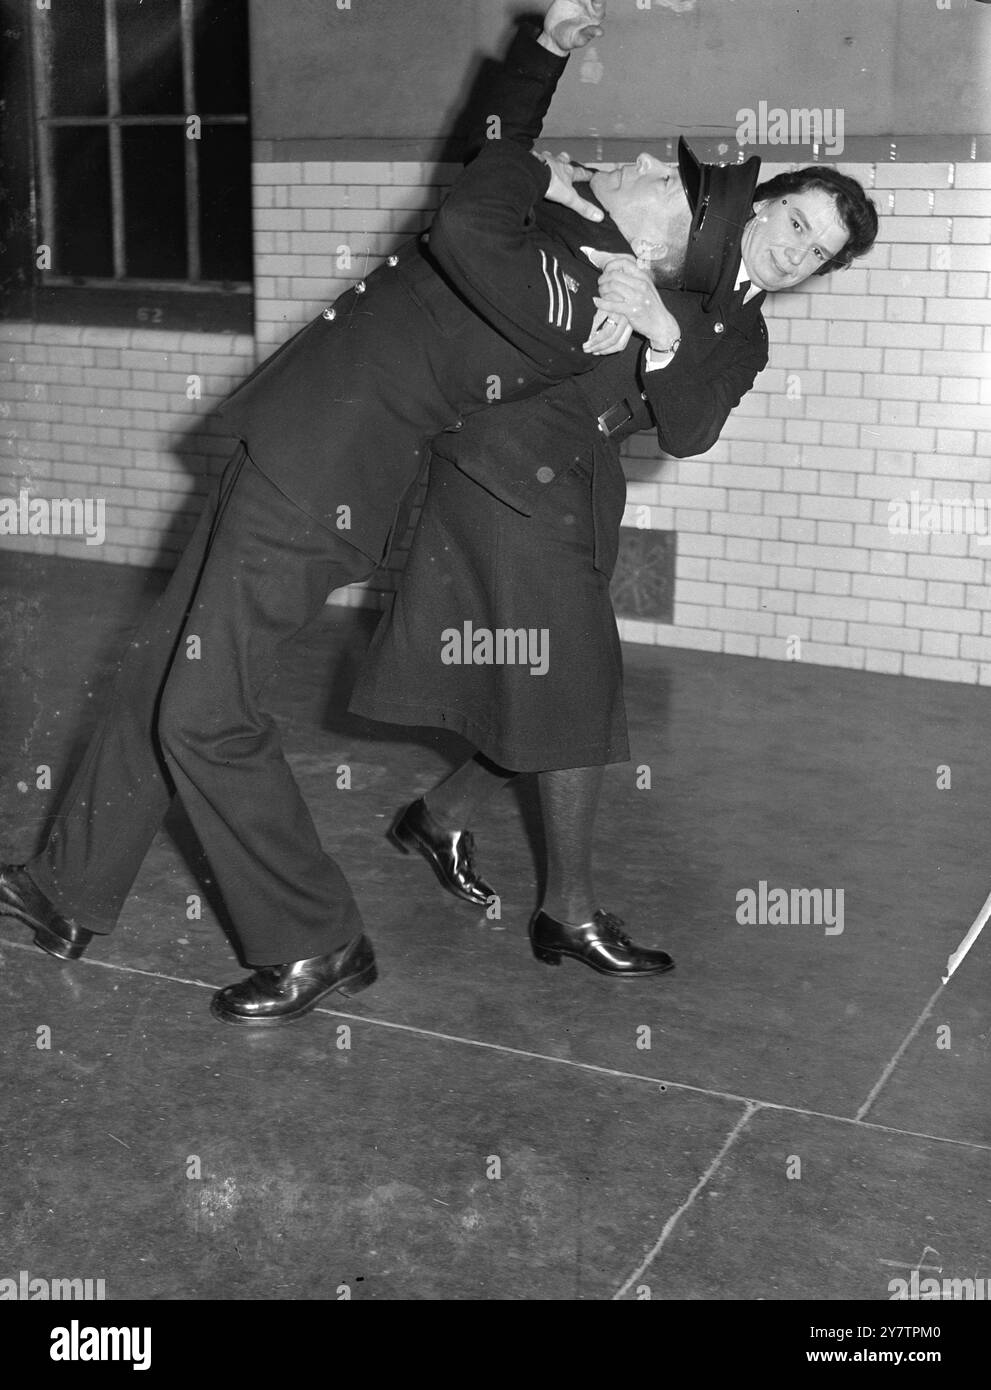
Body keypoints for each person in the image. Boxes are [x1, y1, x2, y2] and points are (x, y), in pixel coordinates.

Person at [0, 1, 694, 1025]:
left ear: (647, 240)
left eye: (662, 183)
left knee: (205, 714)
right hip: (290, 453)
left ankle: (315, 939)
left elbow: (472, 206)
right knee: (159, 671)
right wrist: (541, 56)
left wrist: (547, 158)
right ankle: (66, 889)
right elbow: (497, 153)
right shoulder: (550, 252)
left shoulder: (566, 294)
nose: (642, 164)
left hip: (312, 485)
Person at [348, 148, 879, 977]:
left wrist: (663, 336)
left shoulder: (747, 335)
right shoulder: (671, 247)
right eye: (795, 221)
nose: (794, 250)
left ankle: (438, 818)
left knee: (546, 682)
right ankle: (567, 913)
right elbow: (564, 225)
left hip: (576, 490)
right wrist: (596, 258)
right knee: (578, 684)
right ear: (760, 205)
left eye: (817, 251)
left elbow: (689, 431)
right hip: (506, 461)